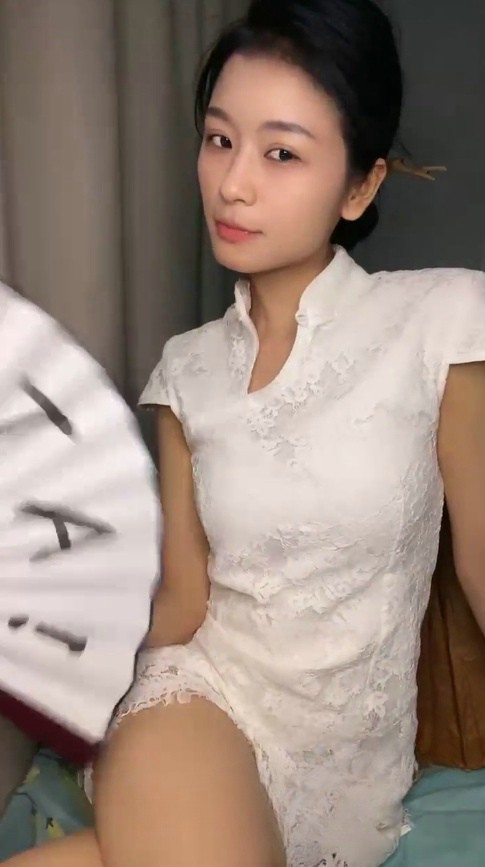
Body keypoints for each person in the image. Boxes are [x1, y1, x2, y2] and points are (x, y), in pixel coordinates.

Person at [7, 0, 485, 865]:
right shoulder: (184, 369)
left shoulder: (442, 319)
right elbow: (183, 601)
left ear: (360, 186)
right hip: (193, 703)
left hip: (342, 779)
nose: (232, 183)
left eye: (281, 152)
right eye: (219, 139)